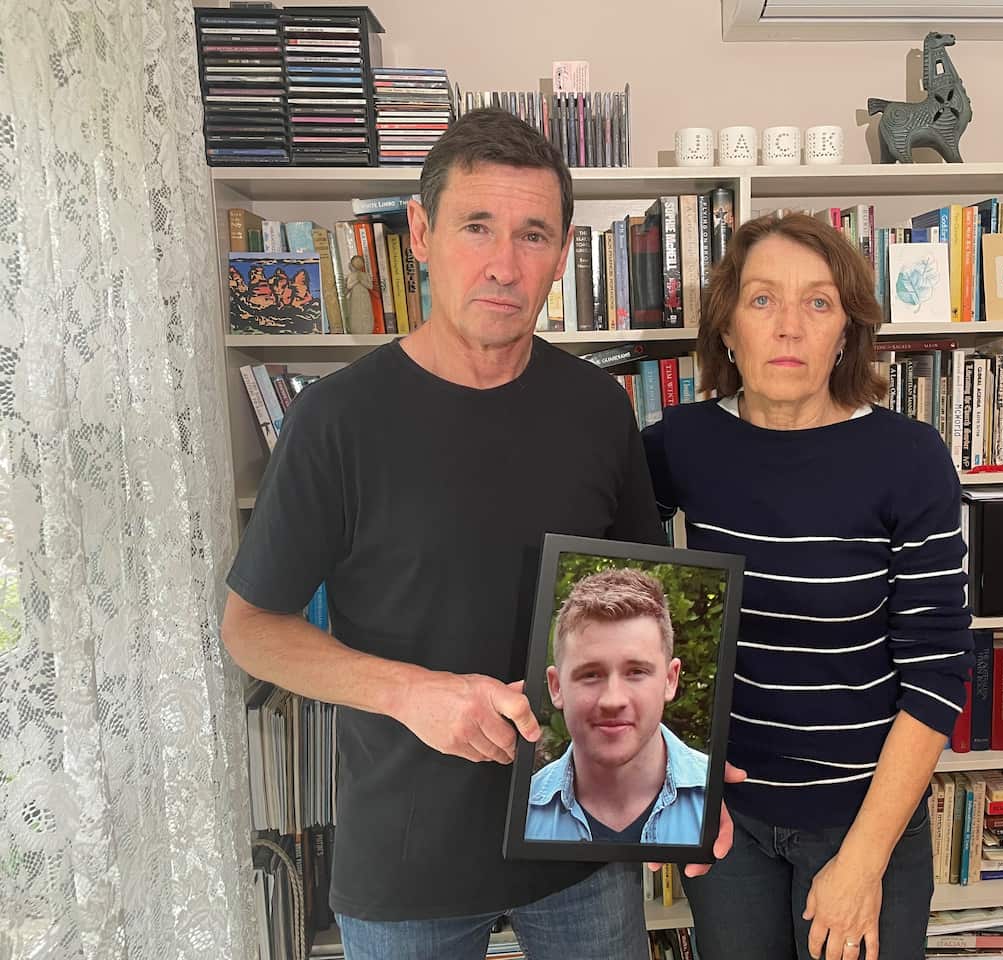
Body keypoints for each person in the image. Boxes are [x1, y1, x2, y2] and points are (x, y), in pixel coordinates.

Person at [220, 108, 735, 960]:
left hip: (584, 842)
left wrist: (687, 767)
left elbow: (646, 606)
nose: (504, 265)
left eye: (533, 234)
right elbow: (251, 631)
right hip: (406, 862)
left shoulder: (600, 410)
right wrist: (408, 693)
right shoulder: (336, 419)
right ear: (421, 233)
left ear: (564, 253)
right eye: (477, 227)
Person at [642, 213, 973, 960]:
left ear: (846, 333)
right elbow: (594, 578)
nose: (789, 327)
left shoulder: (908, 457)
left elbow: (937, 671)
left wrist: (861, 861)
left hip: (862, 816)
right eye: (762, 300)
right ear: (727, 329)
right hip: (727, 819)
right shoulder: (684, 443)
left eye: (818, 303)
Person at [526, 567, 708, 845]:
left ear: (670, 680)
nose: (613, 700)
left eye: (636, 672)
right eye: (591, 674)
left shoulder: (724, 805)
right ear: (556, 686)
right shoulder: (522, 816)